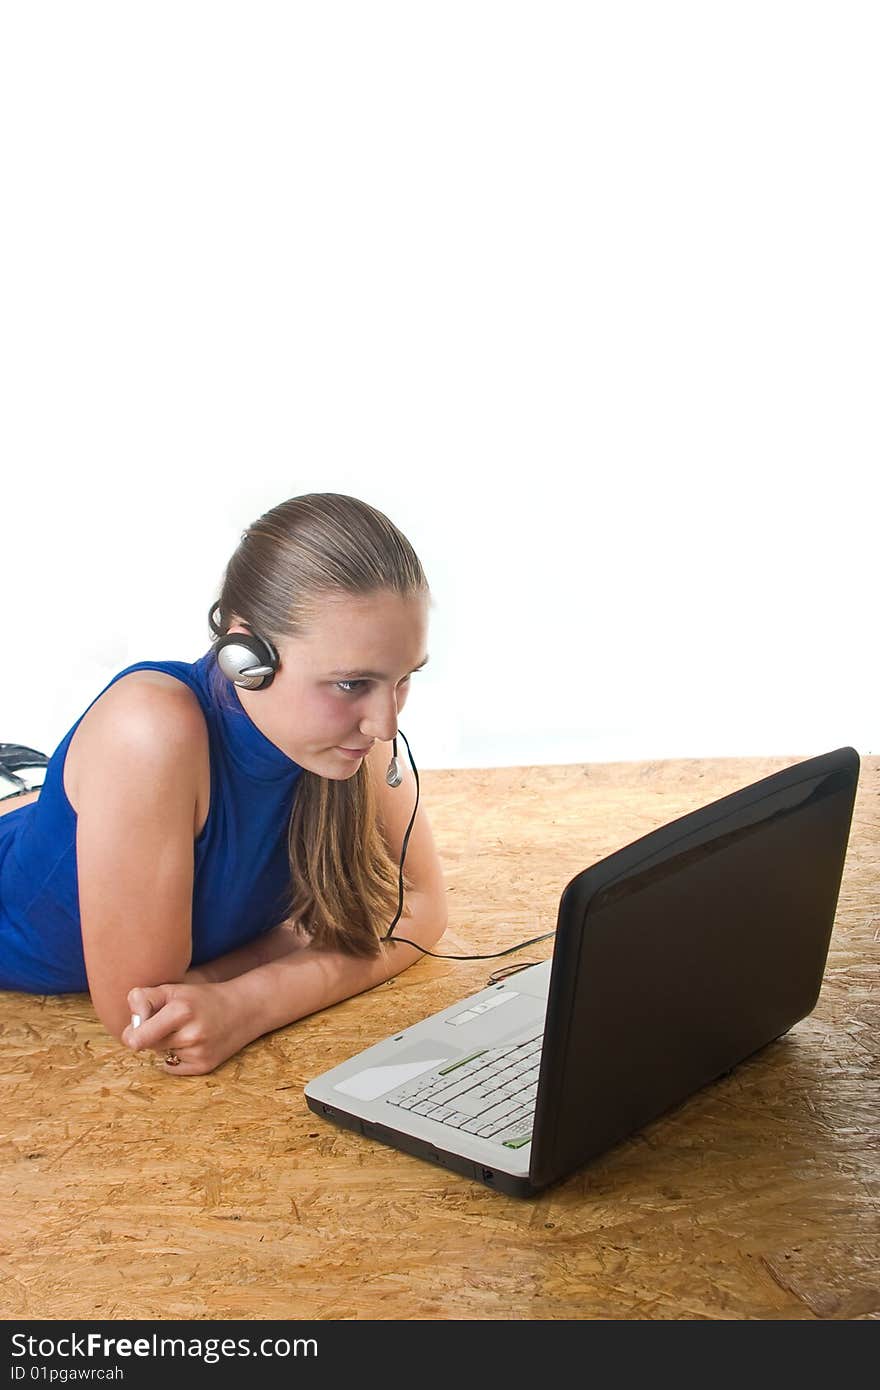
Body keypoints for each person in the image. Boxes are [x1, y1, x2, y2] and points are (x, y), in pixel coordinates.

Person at [0, 493, 448, 1074]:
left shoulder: (358, 730)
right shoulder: (147, 733)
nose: (386, 722)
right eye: (350, 684)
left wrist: (243, 998)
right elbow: (147, 1016)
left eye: (404, 678)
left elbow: (424, 911)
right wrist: (295, 945)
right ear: (246, 657)